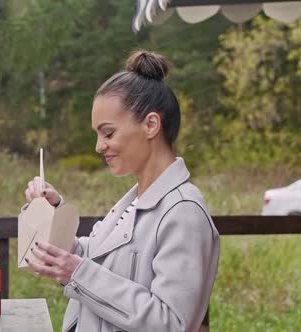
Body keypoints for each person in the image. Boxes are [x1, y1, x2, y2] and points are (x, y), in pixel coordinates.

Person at [24, 50, 220, 332]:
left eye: (108, 133)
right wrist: (53, 213)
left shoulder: (184, 212)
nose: (98, 146)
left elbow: (171, 323)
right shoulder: (134, 201)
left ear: (151, 125)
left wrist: (78, 274)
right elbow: (91, 258)